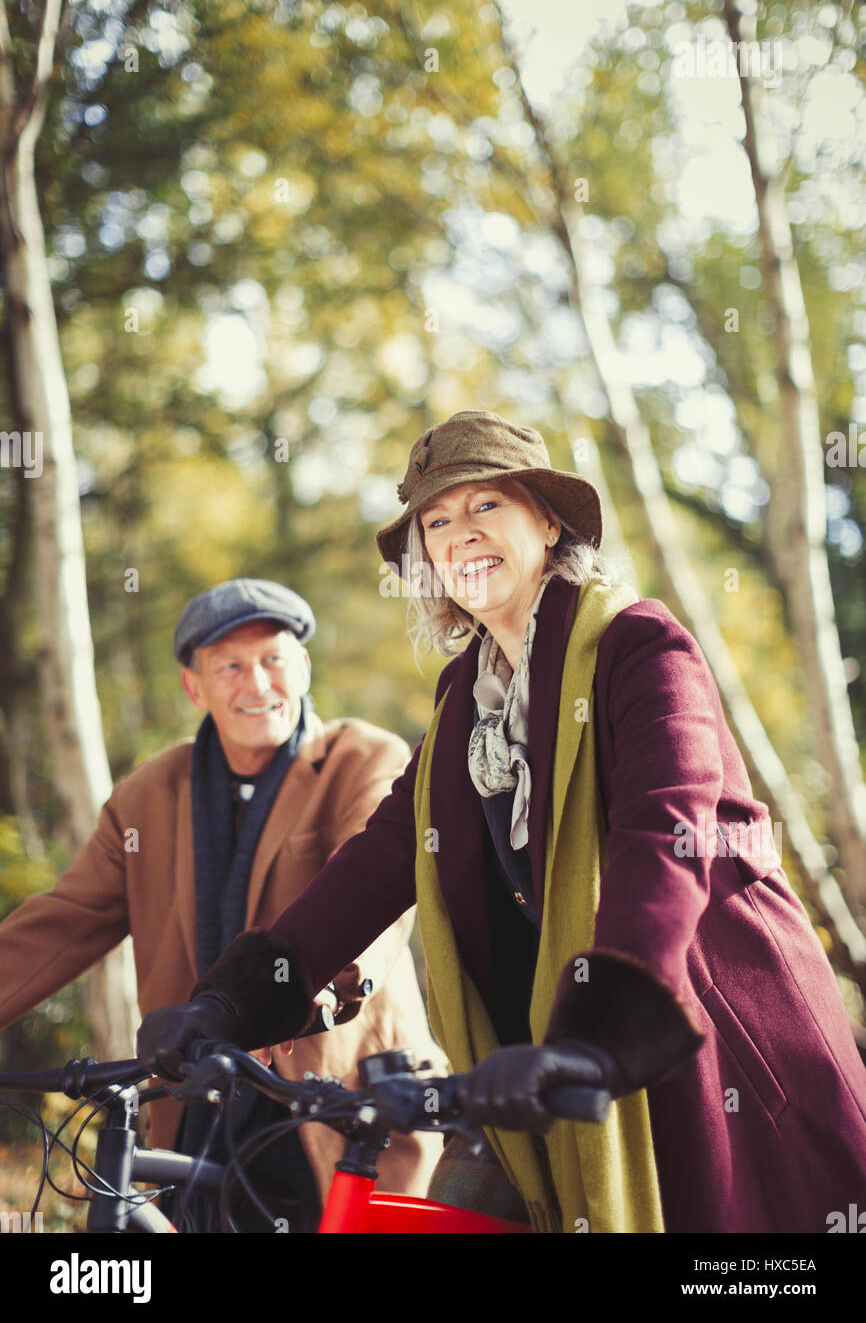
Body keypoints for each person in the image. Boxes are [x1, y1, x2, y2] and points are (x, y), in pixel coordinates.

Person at [137, 414, 866, 1234]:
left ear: (548, 521)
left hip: (705, 1036)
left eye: (485, 505)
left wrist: (600, 1027)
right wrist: (235, 1000)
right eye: (438, 521)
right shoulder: (462, 702)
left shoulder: (641, 647)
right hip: (541, 1055)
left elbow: (665, 836)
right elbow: (382, 859)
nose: (461, 536)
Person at [0, 577, 443, 1231]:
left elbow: (375, 894)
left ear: (303, 667)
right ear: (194, 687)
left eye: (273, 660)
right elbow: (63, 922)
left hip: (337, 1096)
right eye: (230, 667)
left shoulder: (363, 758)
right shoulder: (147, 795)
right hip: (199, 1102)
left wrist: (314, 993)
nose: (257, 684)